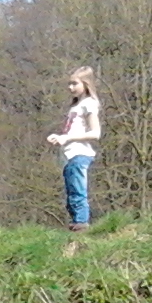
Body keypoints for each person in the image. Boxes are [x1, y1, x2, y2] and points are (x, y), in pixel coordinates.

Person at [47, 67, 102, 231]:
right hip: (69, 155)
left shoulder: (89, 104)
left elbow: (95, 133)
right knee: (71, 193)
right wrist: (59, 137)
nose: (70, 88)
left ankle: (81, 224)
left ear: (86, 84)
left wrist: (67, 138)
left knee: (78, 191)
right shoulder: (75, 106)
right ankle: (74, 223)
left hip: (80, 154)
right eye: (69, 84)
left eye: (74, 84)